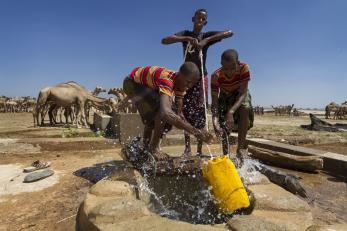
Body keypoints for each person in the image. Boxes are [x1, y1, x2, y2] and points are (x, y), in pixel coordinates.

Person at [162, 8, 233, 156]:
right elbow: (165, 40)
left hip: (201, 77)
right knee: (184, 110)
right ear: (193, 19)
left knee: (200, 110)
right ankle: (187, 148)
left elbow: (229, 32)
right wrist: (186, 39)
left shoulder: (205, 36)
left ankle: (200, 149)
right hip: (185, 78)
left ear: (205, 22)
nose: (200, 21)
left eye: (202, 19)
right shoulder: (186, 34)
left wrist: (205, 41)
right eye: (198, 18)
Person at [120, 62, 213, 160]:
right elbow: (165, 113)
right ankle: (153, 148)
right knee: (162, 112)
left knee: (160, 121)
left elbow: (179, 113)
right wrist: (196, 132)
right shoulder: (167, 80)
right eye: (188, 82)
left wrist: (195, 127)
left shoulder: (180, 85)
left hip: (144, 86)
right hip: (131, 83)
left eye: (192, 84)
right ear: (180, 75)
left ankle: (146, 149)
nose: (189, 86)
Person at [211, 49, 254, 165]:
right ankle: (226, 155)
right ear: (221, 65)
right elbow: (214, 103)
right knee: (222, 121)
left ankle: (240, 149)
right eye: (226, 68)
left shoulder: (244, 68)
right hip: (225, 95)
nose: (229, 72)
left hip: (239, 94)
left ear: (237, 62)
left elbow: (243, 93)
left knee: (244, 107)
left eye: (232, 67)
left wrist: (231, 112)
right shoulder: (216, 76)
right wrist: (215, 123)